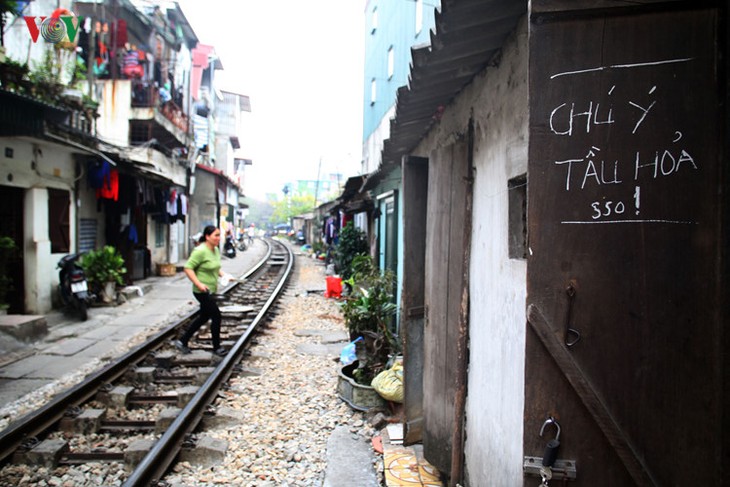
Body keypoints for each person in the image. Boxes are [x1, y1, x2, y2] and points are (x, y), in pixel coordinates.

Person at [175, 225, 228, 356]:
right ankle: (217, 347)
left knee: (204, 316)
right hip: (202, 291)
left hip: (211, 290)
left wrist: (225, 275)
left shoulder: (215, 250)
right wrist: (199, 284)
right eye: (216, 235)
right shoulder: (200, 251)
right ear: (207, 236)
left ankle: (183, 341)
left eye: (219, 235)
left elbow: (215, 267)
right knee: (216, 315)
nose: (218, 238)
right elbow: (188, 268)